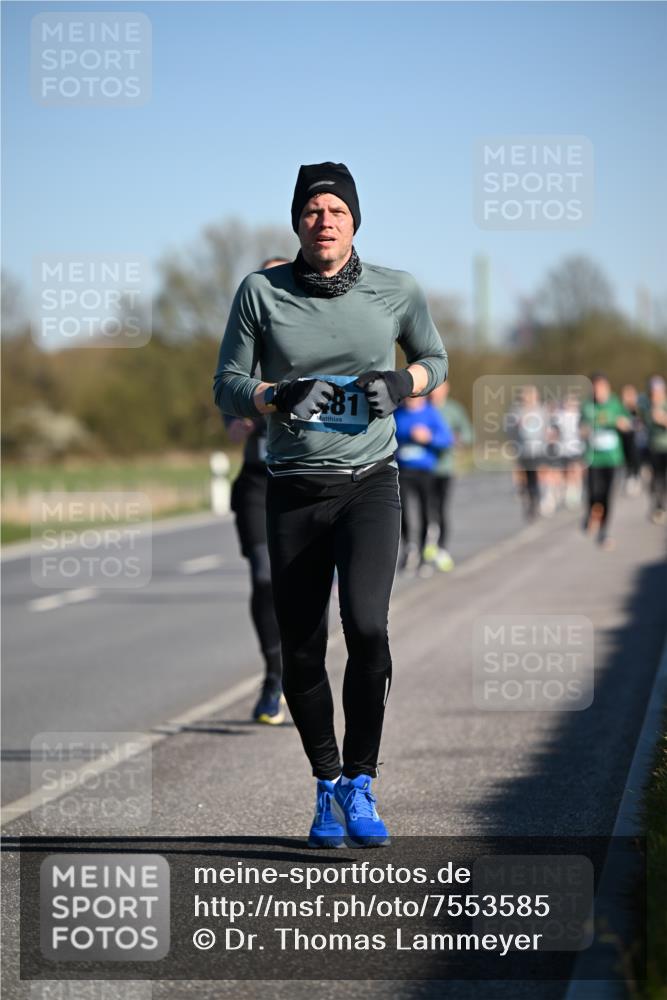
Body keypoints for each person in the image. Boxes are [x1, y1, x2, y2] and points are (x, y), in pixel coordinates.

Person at [214, 162, 447, 847]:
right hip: (291, 487)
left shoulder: (395, 289)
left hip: (370, 482)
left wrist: (401, 383)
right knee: (302, 648)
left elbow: (435, 357)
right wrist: (271, 395)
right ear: (297, 222)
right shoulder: (262, 291)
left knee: (368, 627)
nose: (324, 221)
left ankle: (361, 781)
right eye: (312, 210)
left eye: (335, 211)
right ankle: (324, 786)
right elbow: (227, 381)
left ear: (354, 221)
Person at [225, 257, 290, 724]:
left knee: (306, 588)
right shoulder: (245, 344)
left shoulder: (316, 343)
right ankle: (273, 676)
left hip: (306, 479)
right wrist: (240, 418)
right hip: (256, 480)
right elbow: (226, 396)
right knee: (264, 577)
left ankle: (301, 672)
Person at [395, 395, 453, 577]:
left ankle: (423, 553)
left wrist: (428, 437)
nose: (410, 398)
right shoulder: (397, 413)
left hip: (425, 471)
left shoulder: (431, 413)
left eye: (414, 395)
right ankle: (408, 549)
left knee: (425, 512)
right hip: (402, 471)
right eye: (408, 395)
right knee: (401, 511)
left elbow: (446, 438)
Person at [424, 381, 472, 571]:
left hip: (445, 468)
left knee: (441, 508)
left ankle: (441, 548)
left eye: (438, 388)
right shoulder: (421, 407)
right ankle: (426, 544)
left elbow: (468, 434)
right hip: (422, 468)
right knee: (424, 509)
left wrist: (452, 439)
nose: (434, 392)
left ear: (446, 388)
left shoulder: (454, 409)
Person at [579, 373, 631, 549]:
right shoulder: (587, 406)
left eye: (601, 387)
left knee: (607, 496)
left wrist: (620, 423)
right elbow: (580, 428)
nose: (598, 391)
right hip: (593, 458)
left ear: (607, 387)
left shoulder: (615, 404)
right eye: (595, 388)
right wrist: (584, 430)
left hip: (613, 459)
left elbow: (628, 424)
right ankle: (590, 515)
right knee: (593, 494)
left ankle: (604, 531)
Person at [640, 375, 667, 524]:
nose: (656, 394)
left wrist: (662, 418)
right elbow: (646, 424)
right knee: (656, 479)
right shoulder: (647, 406)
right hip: (654, 448)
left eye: (659, 390)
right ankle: (658, 506)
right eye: (654, 391)